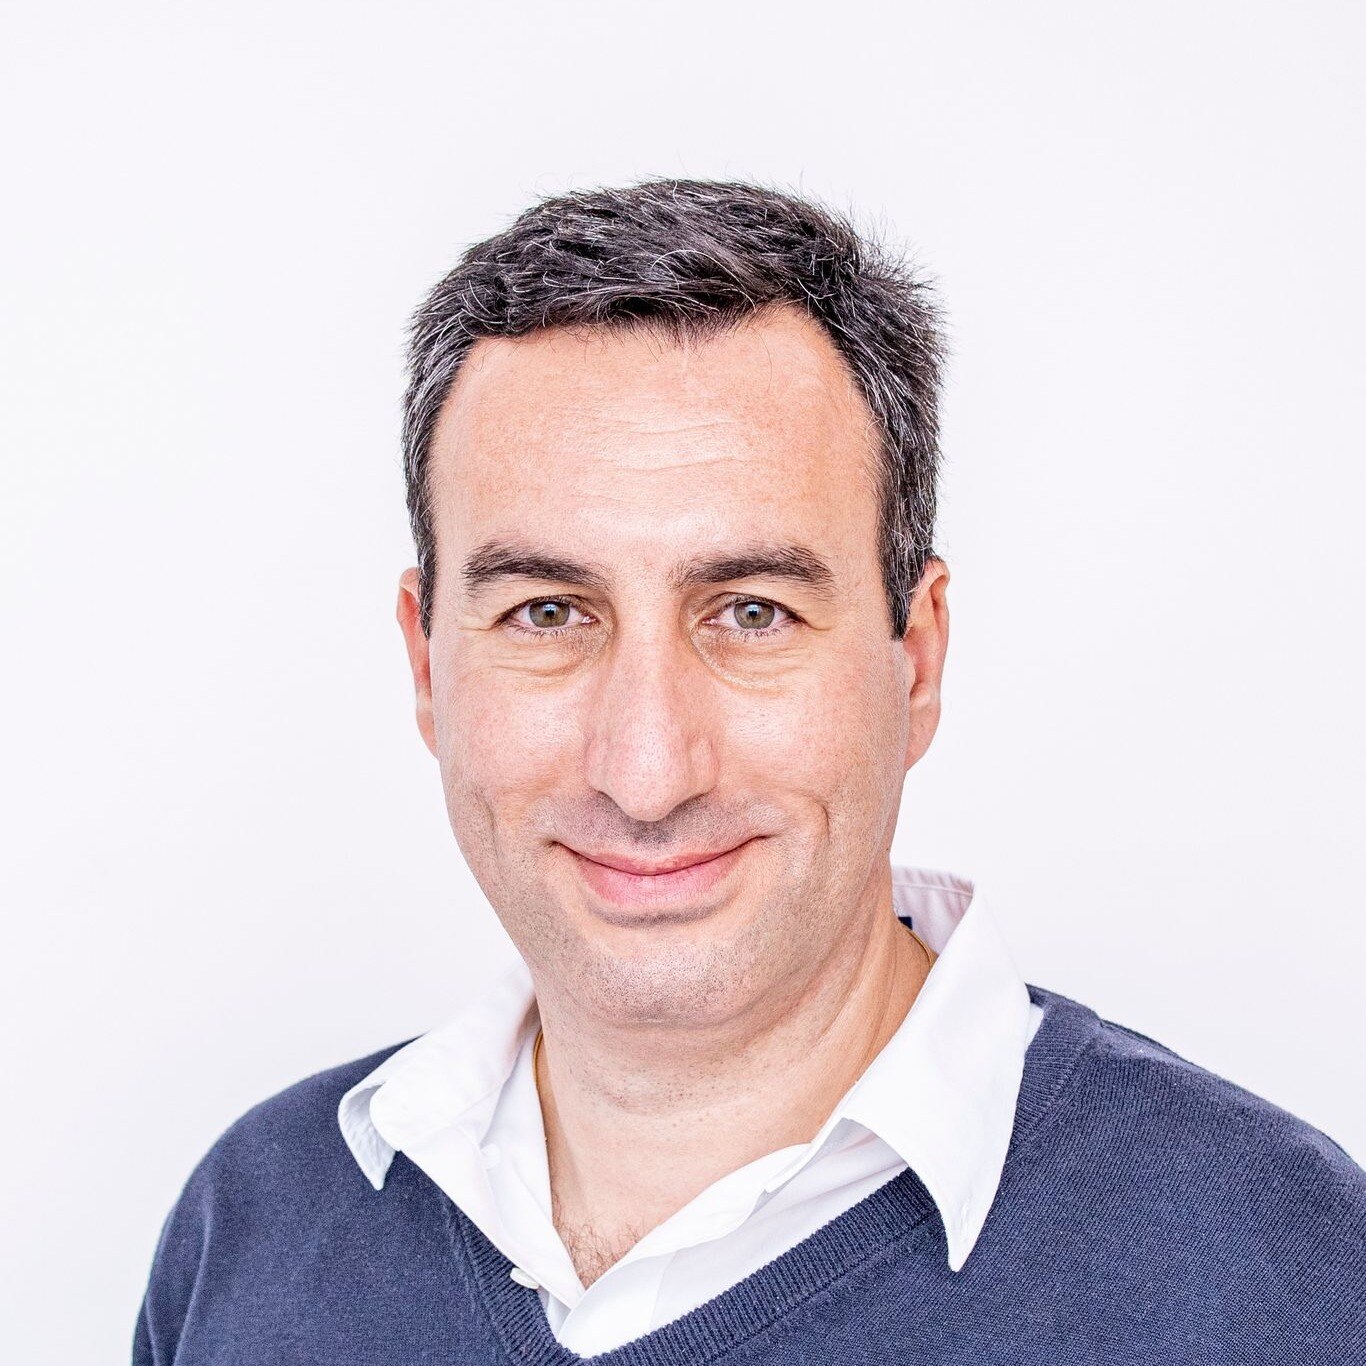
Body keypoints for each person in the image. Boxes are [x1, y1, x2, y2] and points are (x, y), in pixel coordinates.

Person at [133, 178, 1365, 1364]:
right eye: (548, 613)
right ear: (425, 664)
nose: (646, 771)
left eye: (753, 612)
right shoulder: (258, 1223)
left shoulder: (1276, 1273)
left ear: (916, 657)